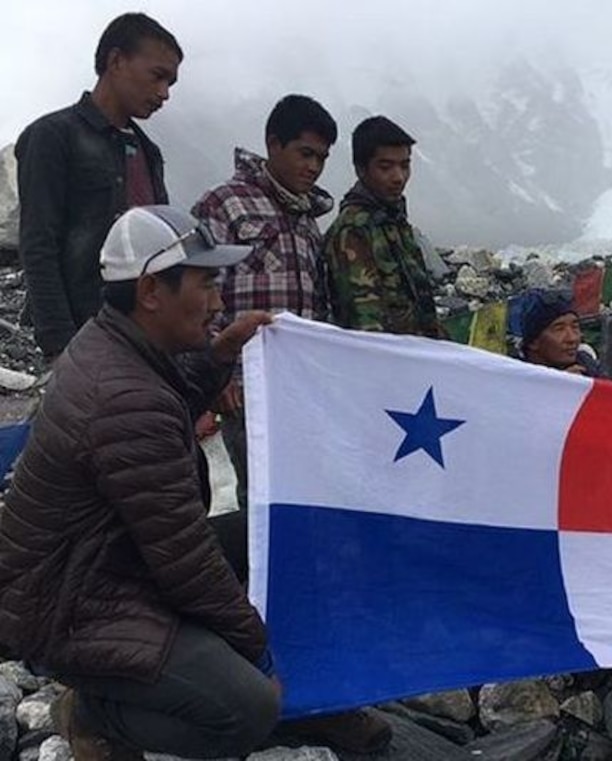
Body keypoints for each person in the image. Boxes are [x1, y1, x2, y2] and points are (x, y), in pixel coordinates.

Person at [0, 205, 279, 760]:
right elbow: (185, 560)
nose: (219, 303)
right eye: (205, 284)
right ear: (152, 290)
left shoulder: (113, 344)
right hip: (74, 602)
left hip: (105, 561)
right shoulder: (124, 396)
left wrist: (220, 354)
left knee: (261, 536)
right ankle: (97, 713)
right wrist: (257, 648)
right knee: (250, 708)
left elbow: (166, 408)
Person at [191, 95, 337, 512]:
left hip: (302, 383)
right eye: (305, 153)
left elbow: (318, 302)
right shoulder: (224, 204)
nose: (313, 167)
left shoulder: (308, 219)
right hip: (246, 384)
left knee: (303, 490)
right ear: (274, 144)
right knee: (260, 494)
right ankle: (255, 575)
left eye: (321, 159)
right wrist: (216, 374)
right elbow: (200, 294)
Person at [15, 13, 182, 359]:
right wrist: (60, 346)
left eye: (171, 83)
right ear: (116, 60)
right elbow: (38, 243)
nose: (164, 93)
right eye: (158, 76)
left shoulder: (149, 152)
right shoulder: (53, 136)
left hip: (142, 339)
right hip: (84, 338)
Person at [323, 115, 441, 337]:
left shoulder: (395, 223)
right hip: (387, 362)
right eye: (386, 167)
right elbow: (366, 325)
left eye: (405, 166)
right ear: (361, 169)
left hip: (417, 356)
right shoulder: (353, 231)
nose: (398, 177)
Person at [520, 289, 600, 376]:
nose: (572, 338)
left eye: (575, 327)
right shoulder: (516, 378)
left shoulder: (587, 366)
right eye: (559, 329)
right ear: (533, 342)